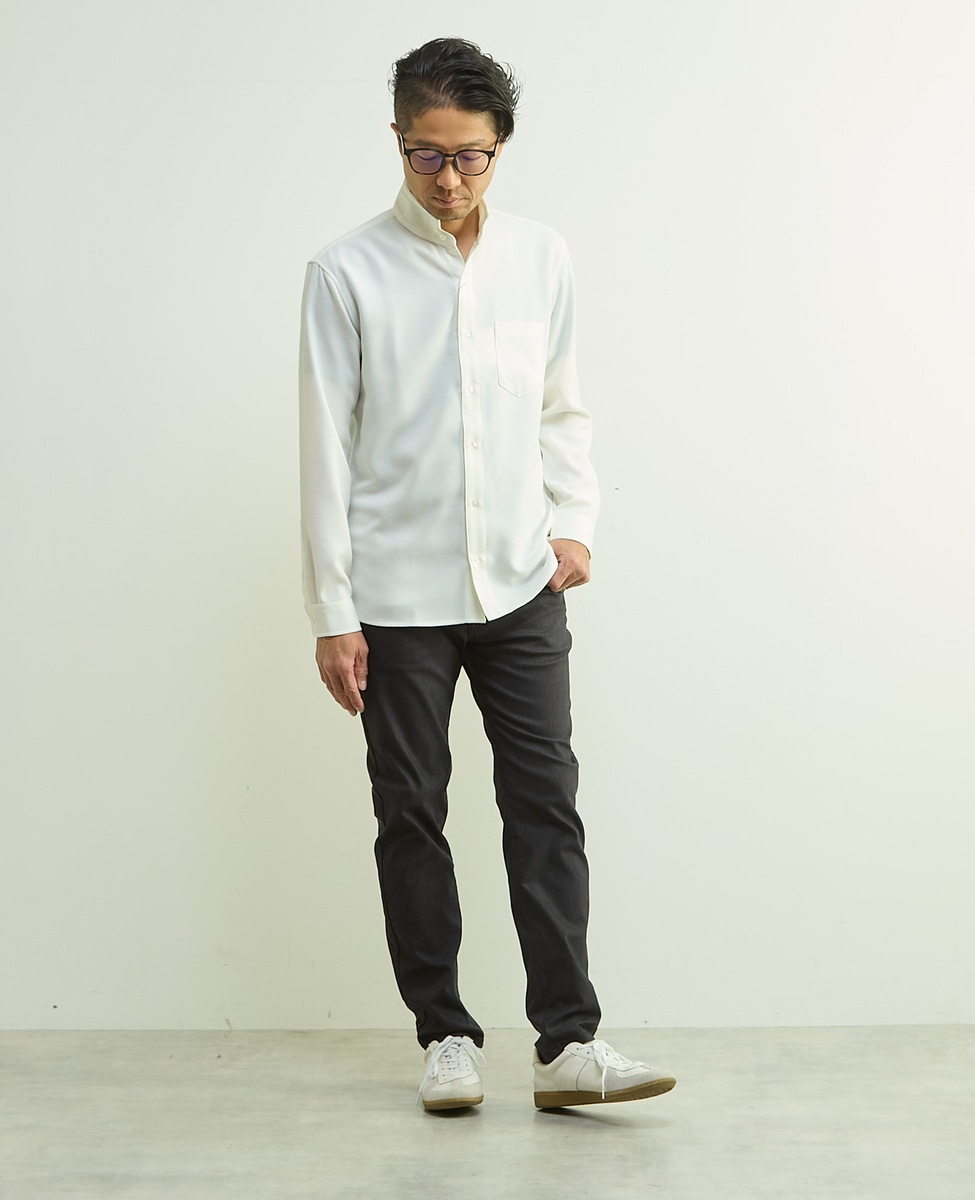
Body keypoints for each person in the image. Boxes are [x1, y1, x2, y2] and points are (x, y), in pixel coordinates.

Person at [299, 36, 676, 1112]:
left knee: (546, 804)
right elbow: (324, 450)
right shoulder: (345, 272)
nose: (449, 179)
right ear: (397, 141)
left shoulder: (540, 258)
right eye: (426, 155)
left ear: (500, 146)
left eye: (471, 156)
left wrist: (575, 523)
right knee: (411, 813)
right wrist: (332, 610)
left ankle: (568, 1044)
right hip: (396, 598)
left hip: (520, 586)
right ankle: (445, 1036)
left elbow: (561, 406)